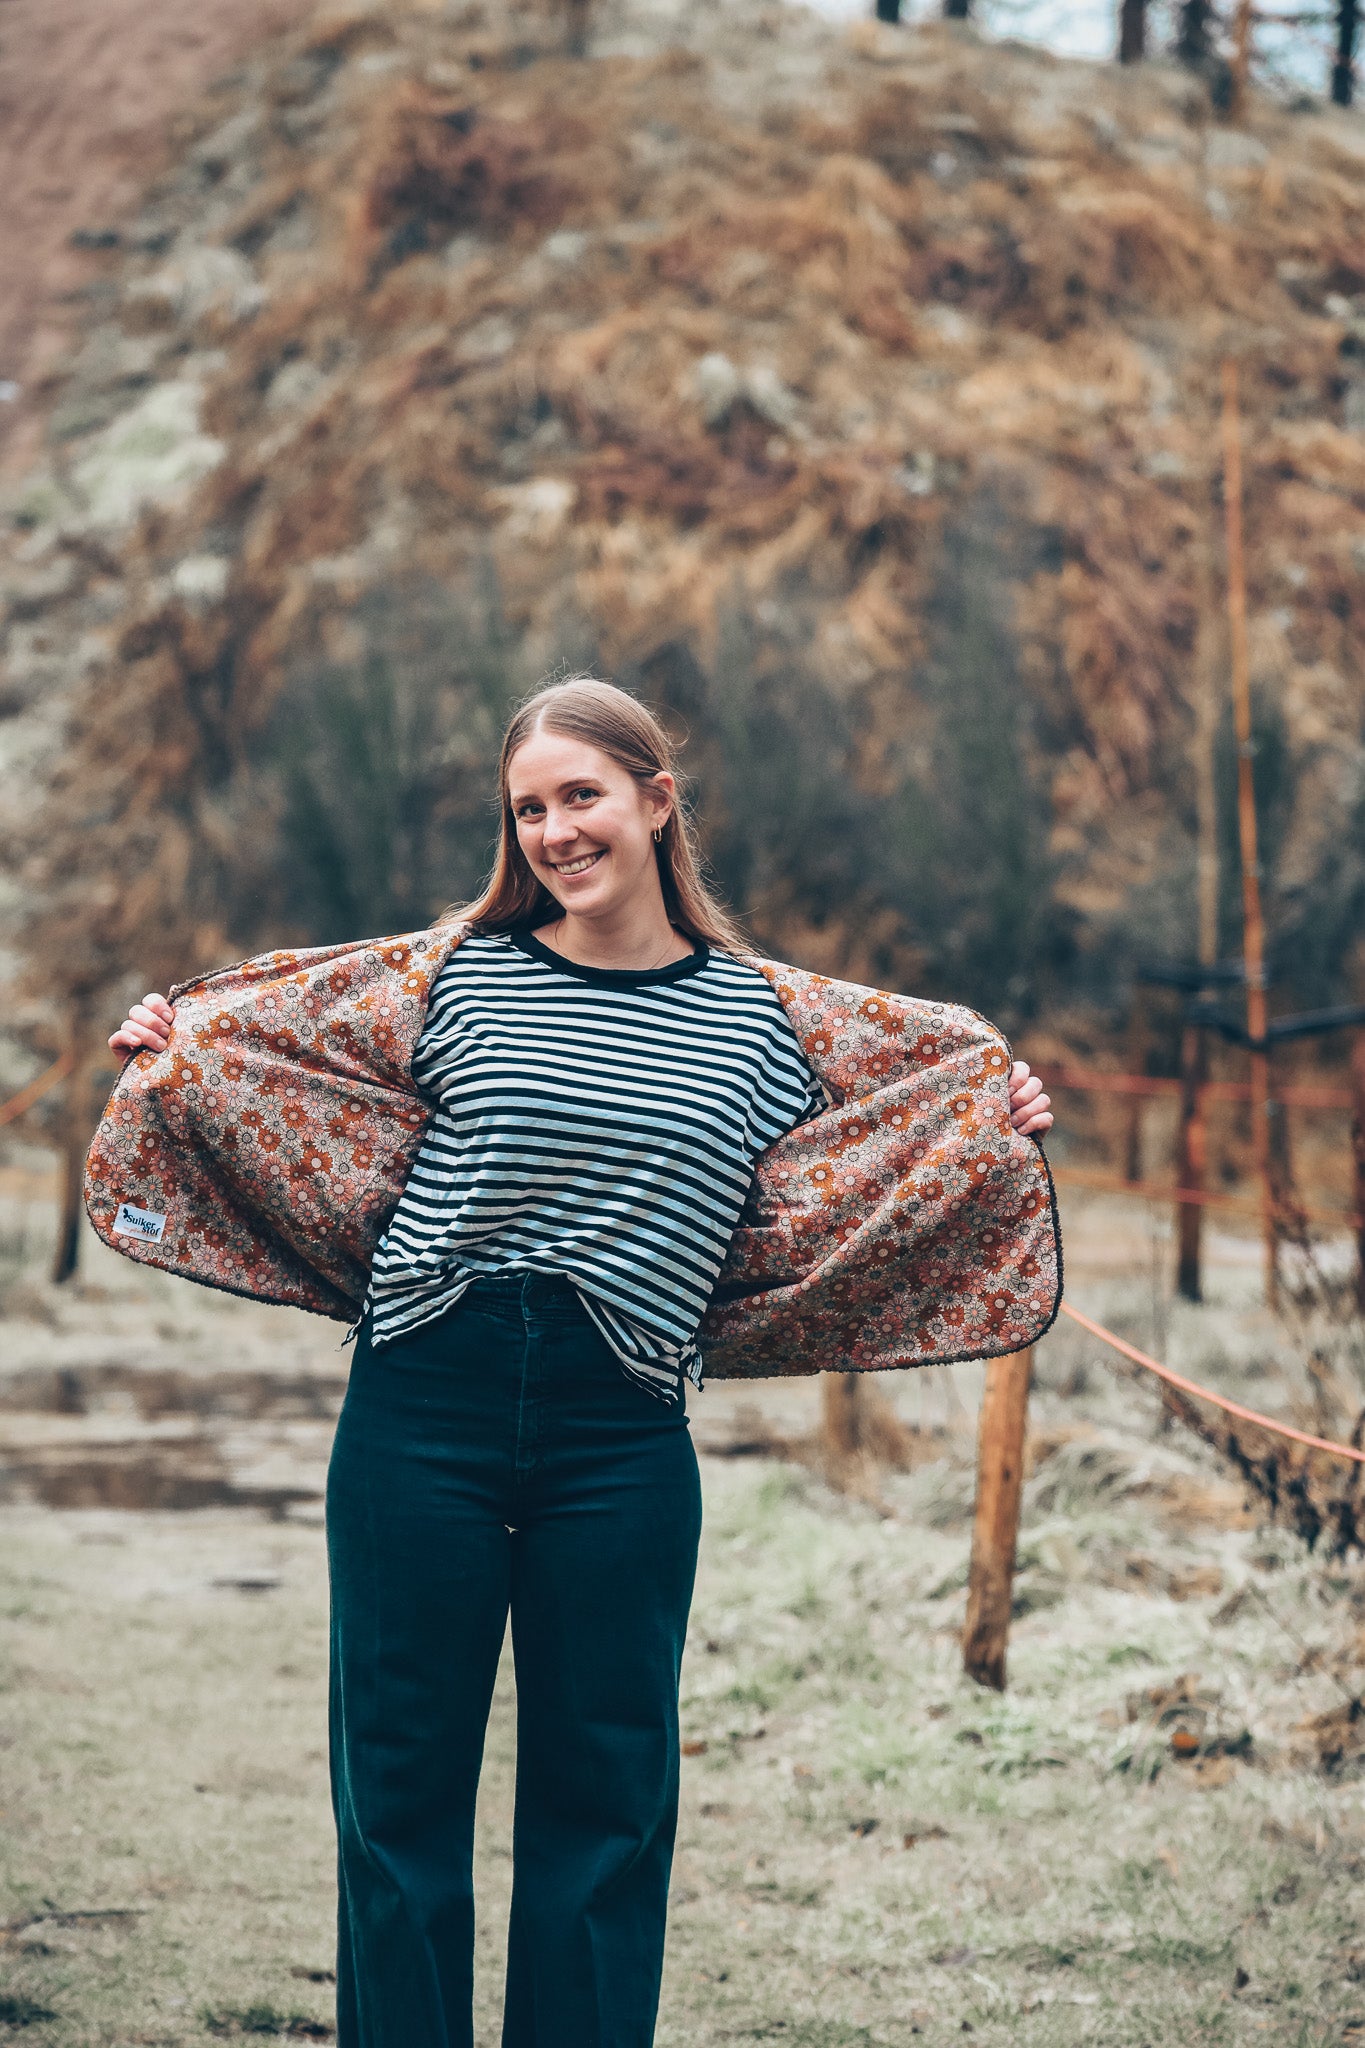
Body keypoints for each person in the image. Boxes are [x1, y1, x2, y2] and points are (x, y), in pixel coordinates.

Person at [109, 677, 1053, 2048]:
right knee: (396, 1807)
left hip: (619, 1437)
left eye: (581, 796)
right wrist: (171, 1043)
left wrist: (999, 1107)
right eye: (530, 808)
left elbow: (934, 1085)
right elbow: (262, 1034)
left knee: (604, 1823)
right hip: (420, 1401)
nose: (555, 830)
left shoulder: (768, 1022)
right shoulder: (454, 970)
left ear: (655, 801)